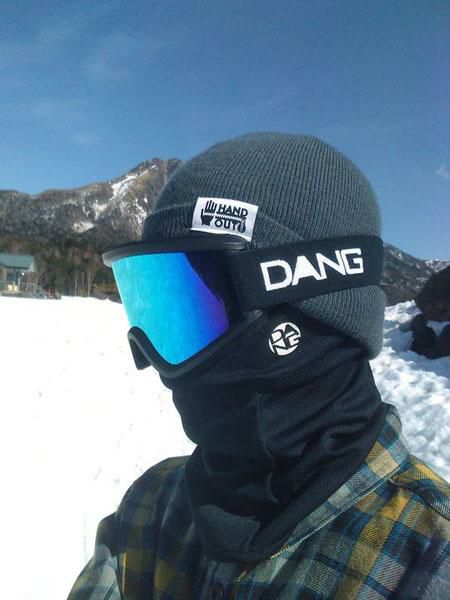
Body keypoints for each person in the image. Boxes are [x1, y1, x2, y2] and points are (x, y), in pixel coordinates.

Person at [69, 133, 450, 599]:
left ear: (308, 291)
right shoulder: (151, 505)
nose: (155, 361)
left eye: (200, 306)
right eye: (152, 302)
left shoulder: (429, 561)